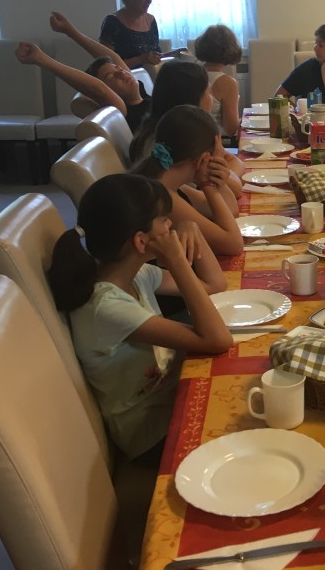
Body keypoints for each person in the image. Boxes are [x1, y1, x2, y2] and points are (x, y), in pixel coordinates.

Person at [46, 173, 230, 461]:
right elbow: (217, 340)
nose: (171, 226)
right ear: (141, 241)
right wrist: (178, 262)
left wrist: (192, 228)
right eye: (165, 220)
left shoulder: (135, 274)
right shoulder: (106, 307)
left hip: (171, 398)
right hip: (149, 434)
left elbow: (215, 285)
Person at [130, 105, 244, 257]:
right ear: (203, 159)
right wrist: (207, 185)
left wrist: (214, 180)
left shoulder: (167, 184)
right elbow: (233, 244)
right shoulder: (162, 198)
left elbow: (231, 209)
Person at [14, 11, 153, 133]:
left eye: (119, 69)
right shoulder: (124, 111)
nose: (122, 73)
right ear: (112, 93)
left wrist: (70, 31)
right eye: (111, 77)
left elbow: (114, 57)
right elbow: (99, 89)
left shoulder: (140, 94)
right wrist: (41, 59)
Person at [275, 23, 325, 107]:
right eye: (315, 43)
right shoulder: (306, 68)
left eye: (321, 45)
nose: (315, 48)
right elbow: (279, 96)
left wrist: (324, 71)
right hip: (309, 115)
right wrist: (297, 111)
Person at [99, 0, 164, 70]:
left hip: (151, 78)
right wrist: (140, 59)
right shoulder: (112, 22)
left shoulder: (151, 20)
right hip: (126, 79)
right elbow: (106, 66)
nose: (149, 0)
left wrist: (174, 54)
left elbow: (155, 57)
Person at [193, 24, 242, 136]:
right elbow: (231, 129)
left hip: (192, 137)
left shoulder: (192, 73)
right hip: (216, 139)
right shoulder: (227, 83)